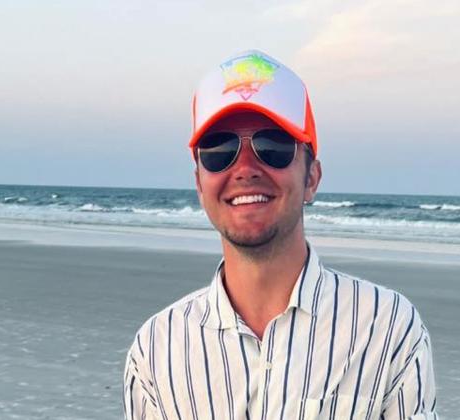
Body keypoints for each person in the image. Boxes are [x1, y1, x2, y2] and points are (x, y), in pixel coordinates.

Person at [123, 50, 438, 420]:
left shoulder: (387, 329)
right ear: (199, 184)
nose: (244, 168)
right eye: (218, 150)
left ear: (312, 178)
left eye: (272, 147)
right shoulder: (156, 350)